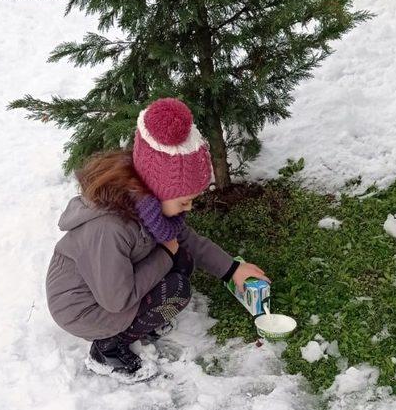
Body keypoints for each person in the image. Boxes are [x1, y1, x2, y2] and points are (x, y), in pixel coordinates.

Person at [46, 97, 270, 382]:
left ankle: (140, 323)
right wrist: (165, 254)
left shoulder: (149, 208)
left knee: (182, 258)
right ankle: (107, 349)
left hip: (110, 287)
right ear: (158, 191)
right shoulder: (109, 229)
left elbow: (187, 240)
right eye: (185, 201)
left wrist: (232, 269)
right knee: (175, 289)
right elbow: (117, 300)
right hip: (85, 309)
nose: (190, 208)